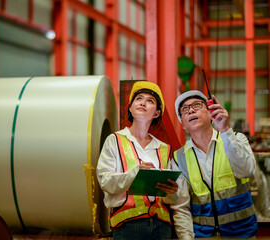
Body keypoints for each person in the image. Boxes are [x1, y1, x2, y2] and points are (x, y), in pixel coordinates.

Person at [96, 81, 179, 240]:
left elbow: (172, 198)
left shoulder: (164, 148)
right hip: (127, 226)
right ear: (130, 108)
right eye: (139, 98)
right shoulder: (115, 140)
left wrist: (172, 192)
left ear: (156, 113)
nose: (143, 102)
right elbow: (105, 181)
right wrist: (135, 174)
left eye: (150, 101)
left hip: (162, 227)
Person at [172, 90, 258, 239]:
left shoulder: (236, 139)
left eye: (197, 105)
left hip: (243, 234)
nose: (191, 110)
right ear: (182, 123)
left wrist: (224, 129)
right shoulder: (178, 158)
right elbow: (181, 207)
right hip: (203, 236)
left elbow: (247, 170)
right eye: (185, 109)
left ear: (211, 113)